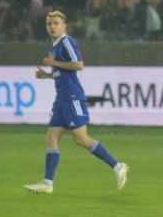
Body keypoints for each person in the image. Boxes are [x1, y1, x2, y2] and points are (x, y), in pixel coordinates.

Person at [24, 10, 128, 194]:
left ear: (64, 26)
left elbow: (79, 65)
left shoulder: (67, 42)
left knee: (81, 140)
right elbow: (62, 73)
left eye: (56, 23)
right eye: (49, 24)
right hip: (61, 99)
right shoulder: (56, 46)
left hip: (72, 97)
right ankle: (47, 183)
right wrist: (46, 75)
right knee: (51, 138)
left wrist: (54, 63)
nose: (52, 27)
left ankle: (117, 166)